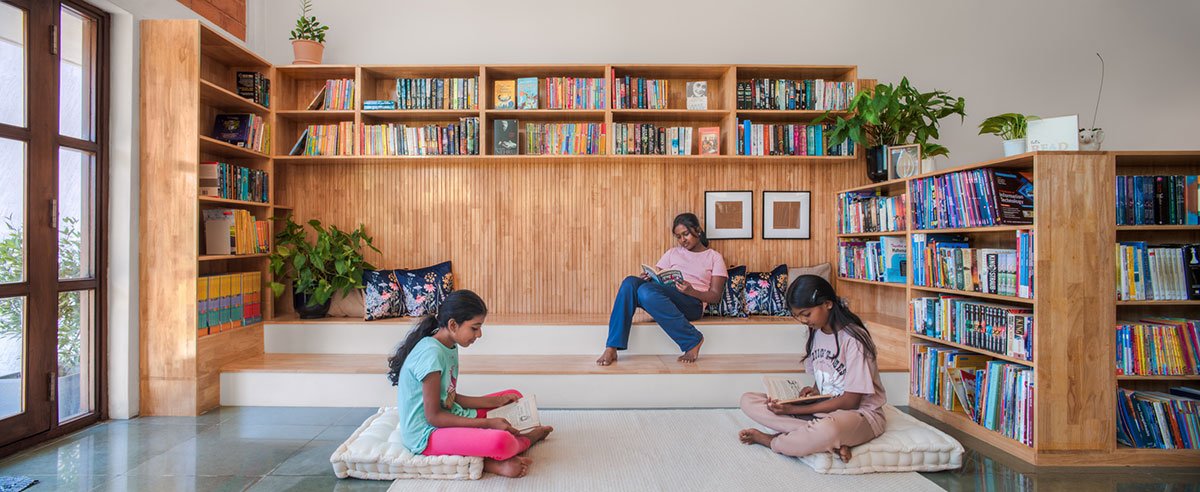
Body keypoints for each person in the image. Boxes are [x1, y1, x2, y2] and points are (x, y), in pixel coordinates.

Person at [388, 290, 553, 478]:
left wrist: (497, 401)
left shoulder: (449, 345)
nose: (479, 334)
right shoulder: (431, 355)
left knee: (513, 397)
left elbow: (450, 398)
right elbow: (434, 416)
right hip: (427, 434)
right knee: (502, 442)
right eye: (474, 328)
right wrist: (487, 423)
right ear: (453, 325)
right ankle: (521, 443)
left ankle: (489, 453)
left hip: (447, 415)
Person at [737, 275, 886, 462]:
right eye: (798, 315)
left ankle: (774, 440)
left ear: (828, 304)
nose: (803, 320)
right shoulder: (817, 331)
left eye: (806, 314)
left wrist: (795, 410)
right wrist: (814, 391)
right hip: (825, 412)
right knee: (748, 400)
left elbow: (851, 402)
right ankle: (828, 440)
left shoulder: (853, 339)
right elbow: (827, 371)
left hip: (860, 416)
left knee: (828, 429)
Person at [596, 213, 728, 366]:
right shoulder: (672, 253)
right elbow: (659, 278)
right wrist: (647, 278)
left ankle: (692, 340)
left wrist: (691, 291)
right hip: (665, 297)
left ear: (697, 230)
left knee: (645, 292)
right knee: (630, 282)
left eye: (686, 234)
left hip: (692, 303)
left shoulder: (714, 257)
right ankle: (612, 347)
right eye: (678, 237)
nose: (683, 240)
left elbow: (715, 296)